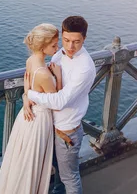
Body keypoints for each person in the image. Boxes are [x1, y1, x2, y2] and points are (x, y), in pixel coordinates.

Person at [26, 16, 95, 194]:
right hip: (51, 125)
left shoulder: (84, 67)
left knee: (69, 177)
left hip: (67, 130)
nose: (70, 47)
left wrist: (29, 94)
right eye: (66, 40)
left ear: (84, 39)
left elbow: (59, 101)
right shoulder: (59, 54)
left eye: (76, 42)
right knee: (58, 172)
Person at [0, 23, 63, 194]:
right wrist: (59, 77)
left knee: (20, 162)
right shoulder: (44, 74)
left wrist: (26, 97)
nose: (57, 48)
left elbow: (29, 88)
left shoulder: (30, 61)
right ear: (42, 45)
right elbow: (57, 102)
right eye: (54, 45)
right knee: (33, 165)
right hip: (39, 121)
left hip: (26, 118)